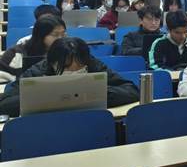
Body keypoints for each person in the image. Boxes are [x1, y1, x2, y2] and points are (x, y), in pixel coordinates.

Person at [0, 37, 139, 117]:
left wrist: (97, 92)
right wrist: (47, 96)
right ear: (52, 63)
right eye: (66, 68)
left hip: (87, 123)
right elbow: (4, 104)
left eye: (79, 69)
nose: (73, 73)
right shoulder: (39, 70)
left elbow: (132, 90)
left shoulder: (93, 64)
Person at [0, 15, 67, 82]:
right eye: (55, 35)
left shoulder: (68, 52)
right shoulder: (14, 53)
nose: (61, 38)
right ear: (41, 35)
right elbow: (2, 82)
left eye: (63, 34)